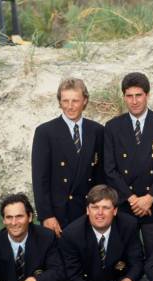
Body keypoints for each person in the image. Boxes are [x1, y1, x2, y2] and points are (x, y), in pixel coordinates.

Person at [103, 72, 153, 258]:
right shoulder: (112, 127)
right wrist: (133, 199)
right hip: (126, 205)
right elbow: (110, 169)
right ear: (124, 97)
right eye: (129, 96)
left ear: (147, 95)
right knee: (125, 261)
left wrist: (149, 198)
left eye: (139, 95)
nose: (134, 101)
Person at [32, 77, 104, 236]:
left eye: (75, 101)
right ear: (59, 102)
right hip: (58, 215)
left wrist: (100, 210)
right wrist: (46, 216)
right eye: (65, 101)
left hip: (89, 212)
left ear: (85, 101)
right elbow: (40, 179)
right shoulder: (45, 132)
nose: (70, 107)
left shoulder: (97, 131)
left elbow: (100, 176)